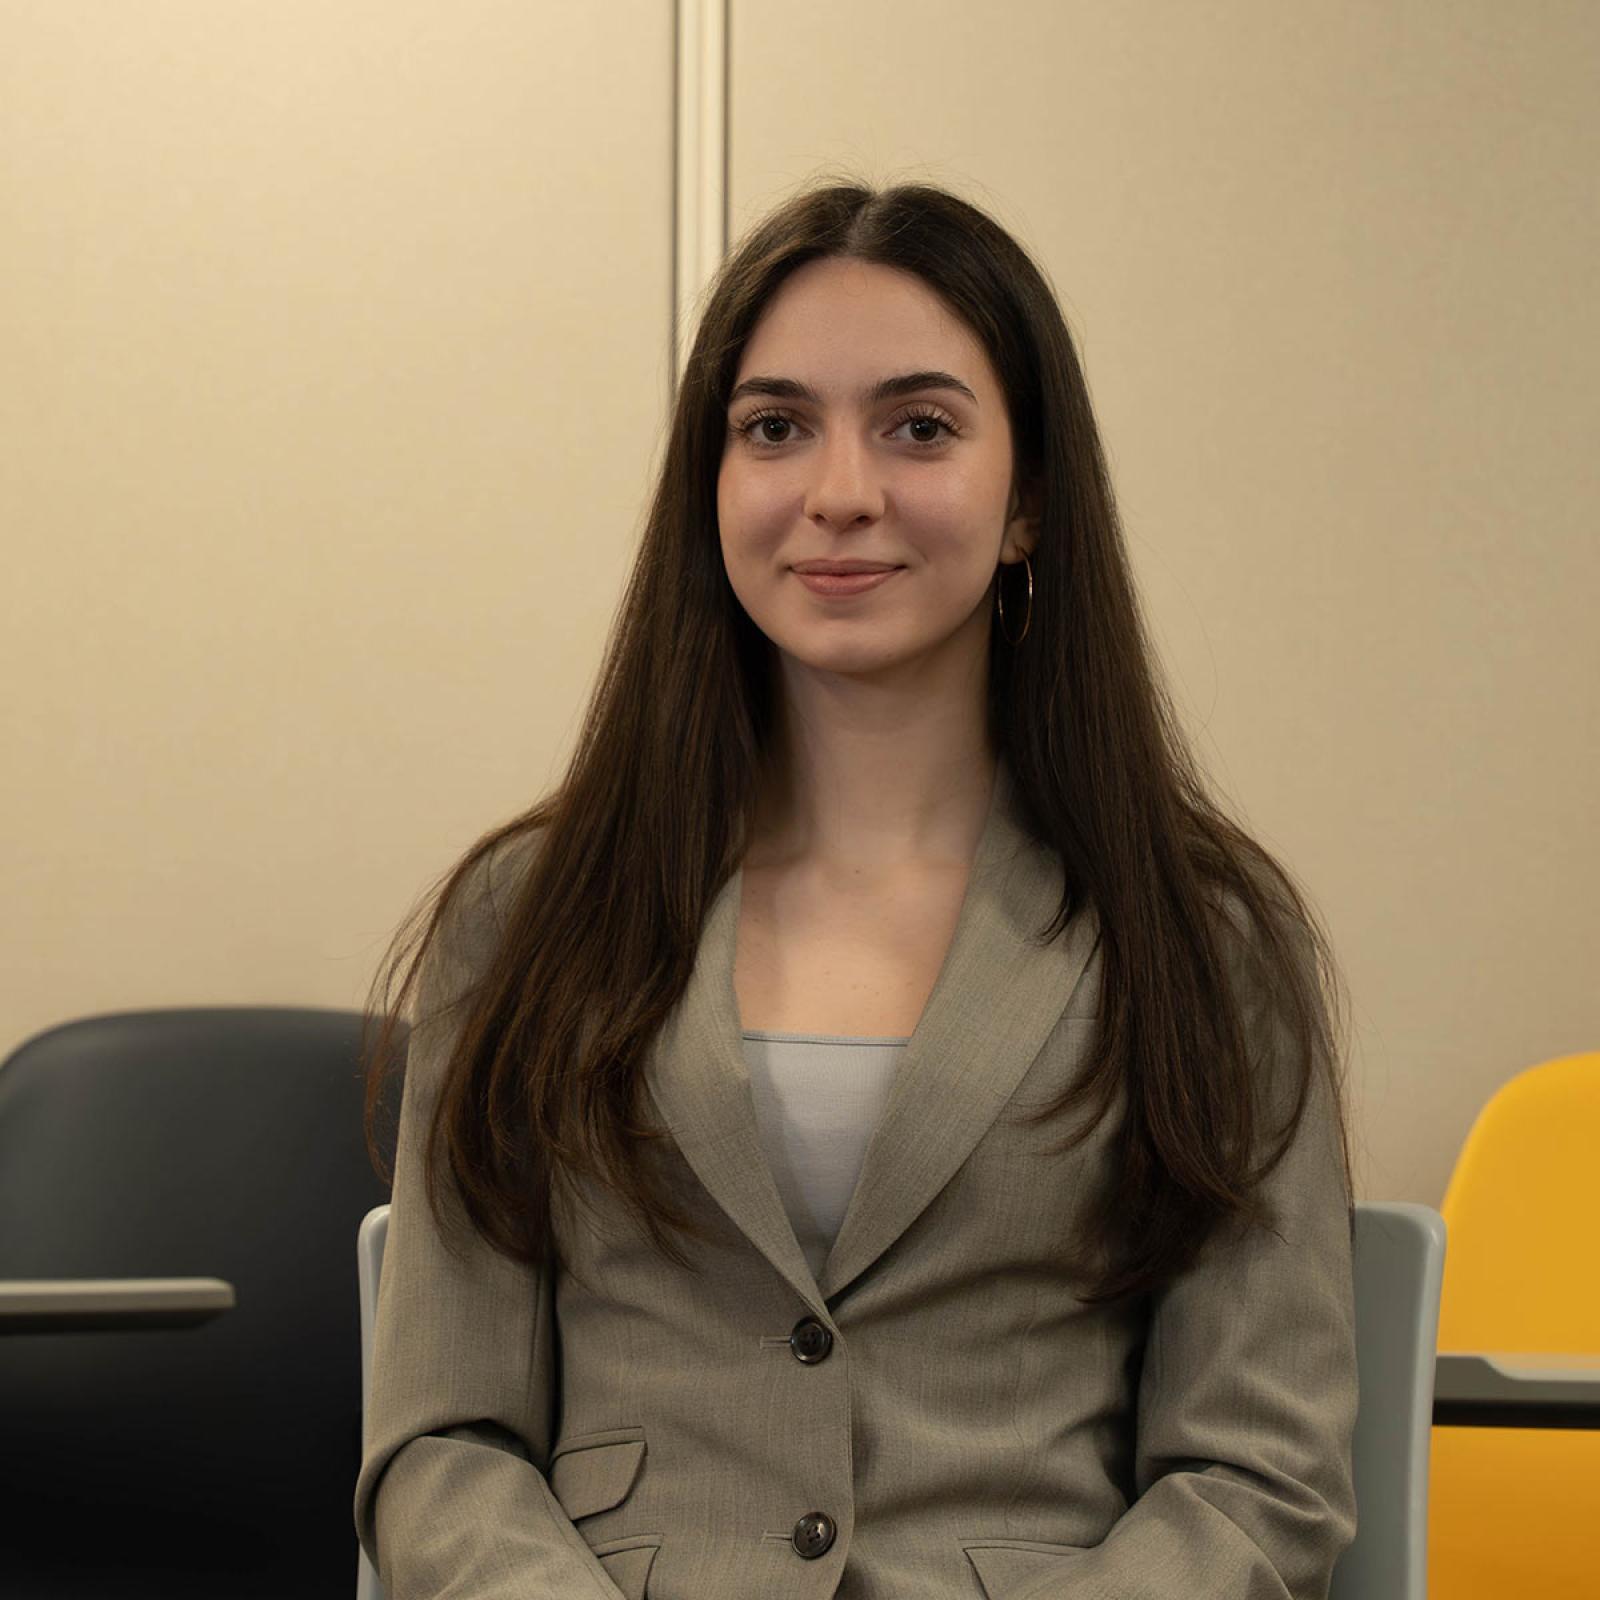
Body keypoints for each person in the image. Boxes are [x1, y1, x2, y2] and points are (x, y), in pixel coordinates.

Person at [353, 177, 1359, 1600]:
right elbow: (445, 1444)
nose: (839, 491)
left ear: (1028, 506)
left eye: (921, 427)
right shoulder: (525, 918)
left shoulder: (1203, 940)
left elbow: (1258, 1479)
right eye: (775, 428)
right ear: (712, 487)